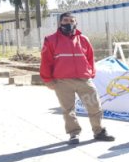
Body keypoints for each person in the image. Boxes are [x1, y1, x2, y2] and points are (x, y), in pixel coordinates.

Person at [40, 12, 115, 145]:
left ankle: (98, 131)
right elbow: (46, 61)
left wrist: (90, 73)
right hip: (62, 81)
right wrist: (48, 79)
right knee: (68, 110)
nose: (69, 23)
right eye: (65, 20)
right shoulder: (50, 40)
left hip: (84, 80)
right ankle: (74, 134)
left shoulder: (83, 39)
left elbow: (90, 58)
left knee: (94, 106)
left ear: (76, 23)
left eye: (71, 21)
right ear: (60, 23)